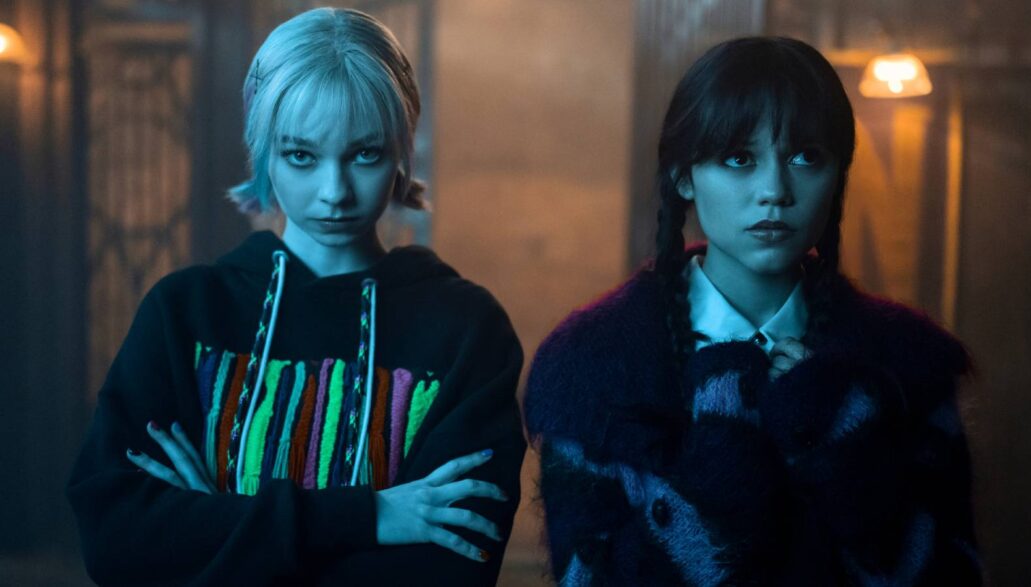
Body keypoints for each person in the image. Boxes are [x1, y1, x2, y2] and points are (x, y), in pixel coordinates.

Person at [68, 8, 524, 586]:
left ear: (402, 150)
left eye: (365, 153)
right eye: (301, 156)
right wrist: (371, 516)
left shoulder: (467, 330)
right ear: (264, 151)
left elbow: (448, 569)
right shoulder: (184, 313)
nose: (334, 192)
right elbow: (116, 543)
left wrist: (219, 521)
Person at [524, 37, 981, 585]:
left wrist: (845, 442)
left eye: (806, 157)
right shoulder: (591, 366)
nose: (775, 190)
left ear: (838, 174)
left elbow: (954, 576)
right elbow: (584, 578)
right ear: (684, 175)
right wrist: (721, 462)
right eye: (739, 159)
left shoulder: (909, 362)